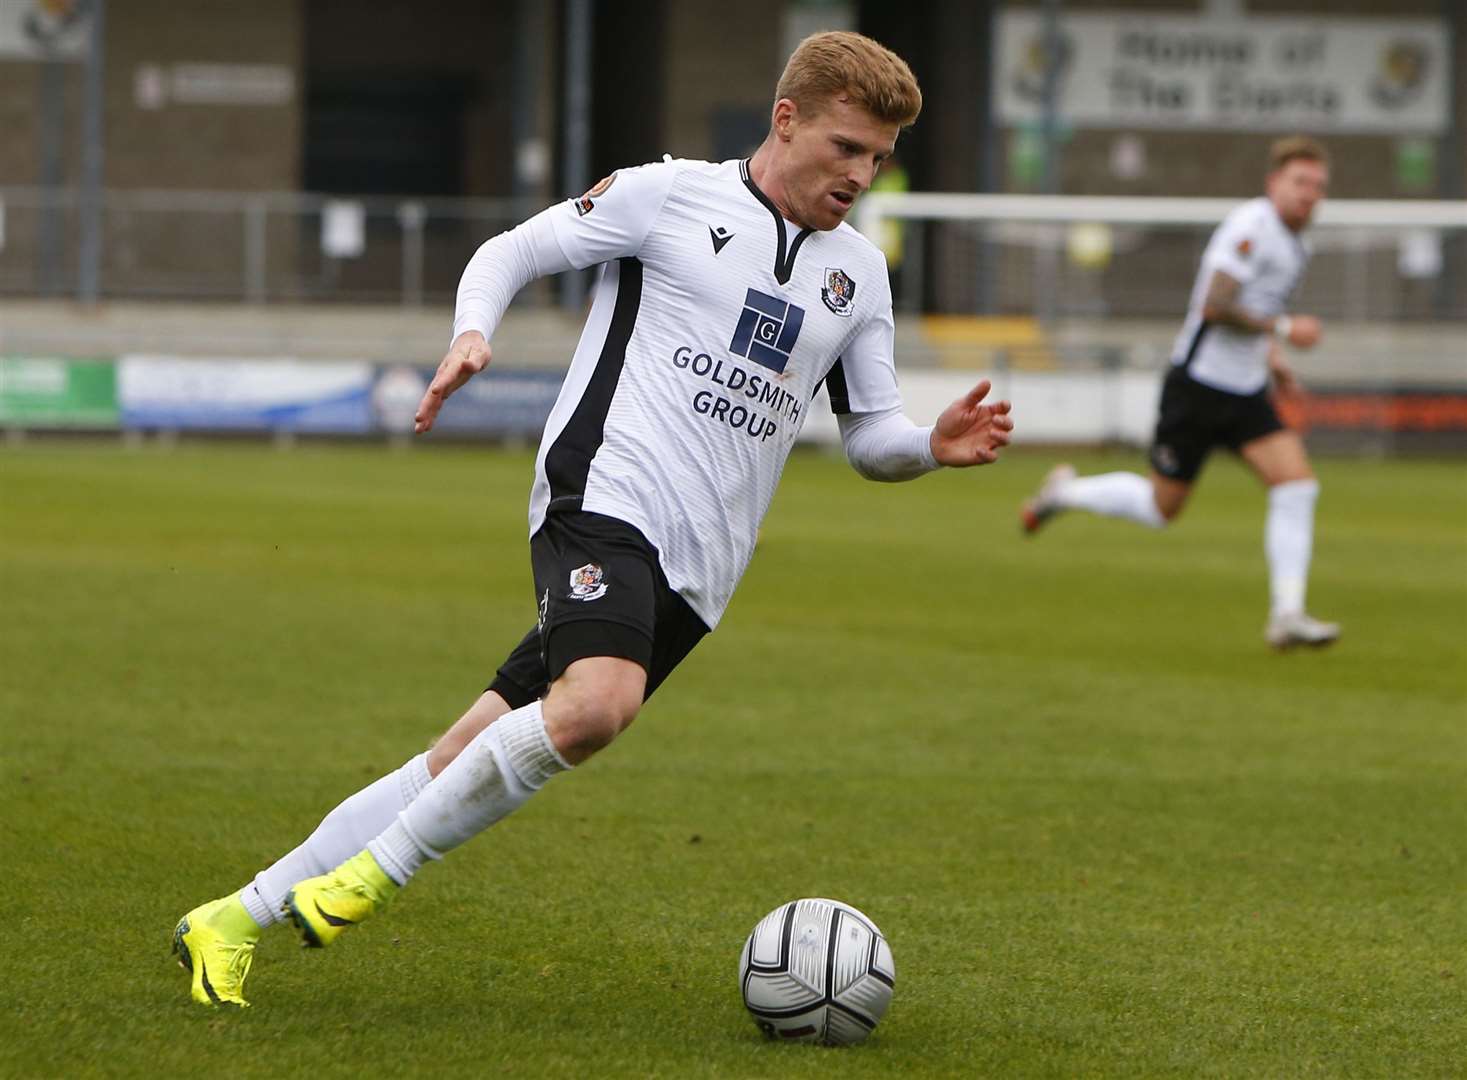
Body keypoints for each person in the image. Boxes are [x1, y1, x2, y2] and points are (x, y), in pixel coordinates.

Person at [172, 31, 1014, 1008]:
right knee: (599, 706)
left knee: (464, 753)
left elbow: (869, 435)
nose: (861, 174)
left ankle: (235, 916)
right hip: (603, 495)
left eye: (878, 158)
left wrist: (929, 445)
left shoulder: (857, 277)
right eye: (845, 147)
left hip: (699, 573)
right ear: (786, 120)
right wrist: (473, 332)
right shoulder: (670, 195)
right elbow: (512, 249)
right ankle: (369, 879)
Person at [1020, 136, 1338, 651]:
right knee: (1159, 508)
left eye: (1318, 186)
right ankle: (1064, 493)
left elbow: (1256, 307)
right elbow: (1215, 305)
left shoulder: (1300, 242)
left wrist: (1274, 361)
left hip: (1246, 392)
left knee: (1297, 486)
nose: (1309, 194)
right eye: (1300, 182)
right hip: (1198, 387)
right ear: (1273, 184)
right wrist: (1283, 330)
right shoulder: (1250, 228)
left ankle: (1287, 614)